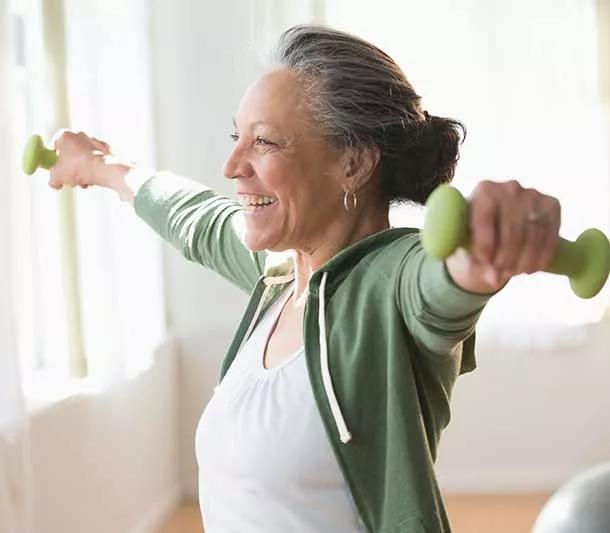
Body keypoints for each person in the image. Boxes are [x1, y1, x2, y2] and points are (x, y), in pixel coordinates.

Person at [47, 24, 561, 533]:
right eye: (237, 137)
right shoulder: (280, 277)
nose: (231, 166)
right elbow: (194, 218)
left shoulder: (388, 284)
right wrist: (101, 166)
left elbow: (439, 284)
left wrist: (483, 255)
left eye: (264, 142)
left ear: (353, 164)